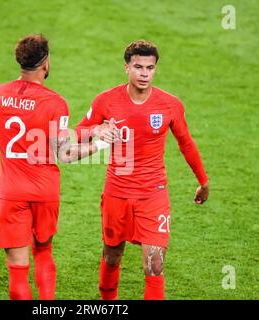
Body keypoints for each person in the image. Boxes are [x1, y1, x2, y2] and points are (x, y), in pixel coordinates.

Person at [0, 34, 110, 300]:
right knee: (44, 252)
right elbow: (66, 154)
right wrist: (100, 145)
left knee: (17, 269)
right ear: (45, 63)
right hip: (45, 192)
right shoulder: (55, 102)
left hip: (11, 192)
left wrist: (0, 138)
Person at [75, 40, 210, 300]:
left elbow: (186, 143)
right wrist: (96, 130)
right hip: (117, 192)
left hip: (153, 195)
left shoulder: (170, 104)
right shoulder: (106, 100)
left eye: (150, 67)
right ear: (126, 68)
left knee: (155, 264)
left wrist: (203, 181)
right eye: (138, 67)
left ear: (155, 69)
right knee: (112, 255)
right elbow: (79, 131)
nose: (144, 73)